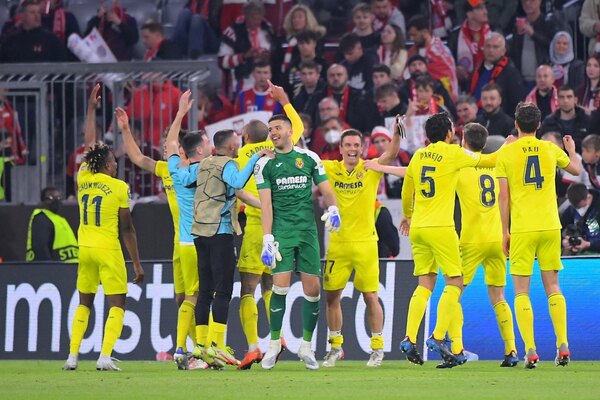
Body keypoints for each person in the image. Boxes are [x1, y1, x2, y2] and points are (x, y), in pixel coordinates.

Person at [367, 113, 497, 366]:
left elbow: (407, 187)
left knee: (424, 284)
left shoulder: (419, 155)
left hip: (419, 228)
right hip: (442, 227)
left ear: (427, 135)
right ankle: (438, 336)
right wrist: (513, 149)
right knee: (455, 281)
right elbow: (488, 160)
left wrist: (407, 215)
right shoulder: (453, 153)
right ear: (449, 133)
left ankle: (408, 337)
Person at [115, 92, 204, 370]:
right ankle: (191, 351)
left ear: (180, 149)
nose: (165, 149)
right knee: (182, 298)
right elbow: (137, 157)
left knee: (196, 296)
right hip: (179, 242)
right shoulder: (167, 169)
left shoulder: (198, 170)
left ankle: (202, 351)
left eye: (170, 145)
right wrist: (126, 130)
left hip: (198, 240)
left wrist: (179, 114)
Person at [63, 85, 144, 372]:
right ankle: (104, 357)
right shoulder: (119, 187)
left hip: (85, 249)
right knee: (117, 303)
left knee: (84, 301)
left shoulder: (83, 178)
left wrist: (91, 109)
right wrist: (136, 263)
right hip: (108, 250)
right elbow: (128, 230)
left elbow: (88, 147)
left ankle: (72, 356)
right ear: (108, 166)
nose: (115, 163)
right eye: (112, 161)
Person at [496, 102, 580, 368]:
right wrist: (572, 152)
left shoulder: (506, 154)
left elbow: (504, 196)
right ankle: (563, 344)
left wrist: (504, 231)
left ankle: (530, 350)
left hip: (523, 228)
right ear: (539, 125)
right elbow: (577, 171)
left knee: (521, 292)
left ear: (516, 124)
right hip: (550, 226)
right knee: (553, 287)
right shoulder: (549, 148)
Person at [255, 112, 340, 371]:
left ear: (291, 130)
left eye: (278, 127)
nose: (273, 132)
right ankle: (273, 343)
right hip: (282, 231)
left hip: (307, 233)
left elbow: (327, 191)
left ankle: (306, 346)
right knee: (279, 287)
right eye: (270, 129)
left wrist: (334, 208)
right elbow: (266, 205)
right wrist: (267, 237)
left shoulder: (309, 158)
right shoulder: (264, 164)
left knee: (313, 291)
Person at [321, 118, 401, 368]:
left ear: (362, 147)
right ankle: (335, 347)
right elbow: (303, 157)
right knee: (332, 297)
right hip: (338, 244)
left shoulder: (372, 167)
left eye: (356, 145)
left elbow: (392, 153)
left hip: (366, 243)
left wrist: (397, 133)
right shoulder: (329, 168)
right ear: (341, 148)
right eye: (348, 145)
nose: (352, 149)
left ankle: (377, 348)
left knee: (371, 297)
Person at [189, 128, 271, 368]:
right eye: (236, 142)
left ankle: (201, 347)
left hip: (199, 232)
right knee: (223, 291)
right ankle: (217, 346)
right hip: (219, 231)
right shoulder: (230, 166)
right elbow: (238, 182)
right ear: (232, 146)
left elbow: (237, 192)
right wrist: (256, 158)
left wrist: (264, 207)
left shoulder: (204, 164)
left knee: (205, 290)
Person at [235, 81, 303, 369]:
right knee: (269, 284)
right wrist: (284, 100)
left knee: (247, 289)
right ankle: (280, 338)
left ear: (246, 136)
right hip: (279, 227)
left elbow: (236, 189)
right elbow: (297, 127)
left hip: (255, 227)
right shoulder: (281, 146)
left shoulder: (243, 155)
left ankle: (252, 347)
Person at [452, 122, 518, 368]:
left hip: (470, 241)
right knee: (499, 295)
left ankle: (457, 348)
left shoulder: (459, 167)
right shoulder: (496, 164)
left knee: (453, 293)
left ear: (463, 140)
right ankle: (511, 349)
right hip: (497, 240)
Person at [218, 1, 274, 97]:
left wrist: (267, 56)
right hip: (241, 82)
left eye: (259, 18)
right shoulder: (233, 32)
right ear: (246, 16)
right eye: (254, 18)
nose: (257, 22)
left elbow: (276, 53)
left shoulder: (267, 29)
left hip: (267, 84)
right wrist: (243, 56)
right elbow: (222, 62)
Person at [509, 0, 563, 89]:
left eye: (531, 1)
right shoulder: (518, 25)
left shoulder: (548, 23)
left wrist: (533, 34)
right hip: (521, 80)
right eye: (524, 1)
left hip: (542, 79)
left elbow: (553, 46)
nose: (527, 4)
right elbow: (514, 51)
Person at [406, 14, 458, 100]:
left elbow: (450, 78)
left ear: (425, 32)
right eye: (410, 35)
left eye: (414, 35)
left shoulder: (439, 52)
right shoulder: (412, 51)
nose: (412, 39)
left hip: (440, 98)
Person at [470, 32, 523, 116]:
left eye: (495, 47)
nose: (491, 50)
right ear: (483, 48)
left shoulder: (510, 73)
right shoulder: (478, 69)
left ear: (503, 51)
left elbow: (516, 103)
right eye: (488, 46)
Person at [0, 0, 67, 63]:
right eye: (32, 12)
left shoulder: (52, 41)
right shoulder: (10, 41)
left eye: (38, 12)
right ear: (22, 16)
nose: (37, 16)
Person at [25, 186, 77, 263]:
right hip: (53, 270)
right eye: (50, 198)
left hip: (69, 268)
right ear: (42, 201)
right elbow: (40, 247)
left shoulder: (60, 220)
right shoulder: (41, 218)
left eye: (58, 198)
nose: (56, 201)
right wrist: (49, 268)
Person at [452, 0, 490, 88]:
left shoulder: (493, 32)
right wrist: (456, 68)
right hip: (464, 83)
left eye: (485, 8)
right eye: (481, 9)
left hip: (490, 81)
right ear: (469, 14)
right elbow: (449, 59)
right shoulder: (456, 35)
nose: (485, 12)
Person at [540, 85, 590, 152]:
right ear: (557, 100)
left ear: (575, 100)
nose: (565, 101)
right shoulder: (548, 123)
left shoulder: (587, 121)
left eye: (569, 97)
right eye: (561, 97)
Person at [561, 183, 600, 255]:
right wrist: (564, 242)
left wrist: (589, 244)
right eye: (576, 208)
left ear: (588, 197)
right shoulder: (570, 210)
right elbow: (560, 228)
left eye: (582, 206)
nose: (579, 211)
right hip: (580, 252)